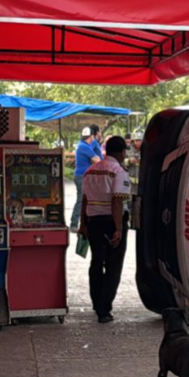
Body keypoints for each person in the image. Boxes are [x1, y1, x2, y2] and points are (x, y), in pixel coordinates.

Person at [80, 136, 131, 323]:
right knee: (113, 266)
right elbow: (117, 201)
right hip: (112, 222)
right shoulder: (118, 172)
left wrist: (82, 224)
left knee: (96, 263)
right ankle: (104, 309)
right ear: (122, 152)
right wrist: (118, 228)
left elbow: (84, 199)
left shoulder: (90, 171)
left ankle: (96, 302)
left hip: (93, 222)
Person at [70, 126, 101, 231]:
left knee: (85, 200)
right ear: (91, 137)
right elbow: (97, 160)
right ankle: (74, 224)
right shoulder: (85, 147)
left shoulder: (82, 145)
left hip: (81, 176)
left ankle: (82, 222)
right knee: (81, 201)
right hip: (82, 176)